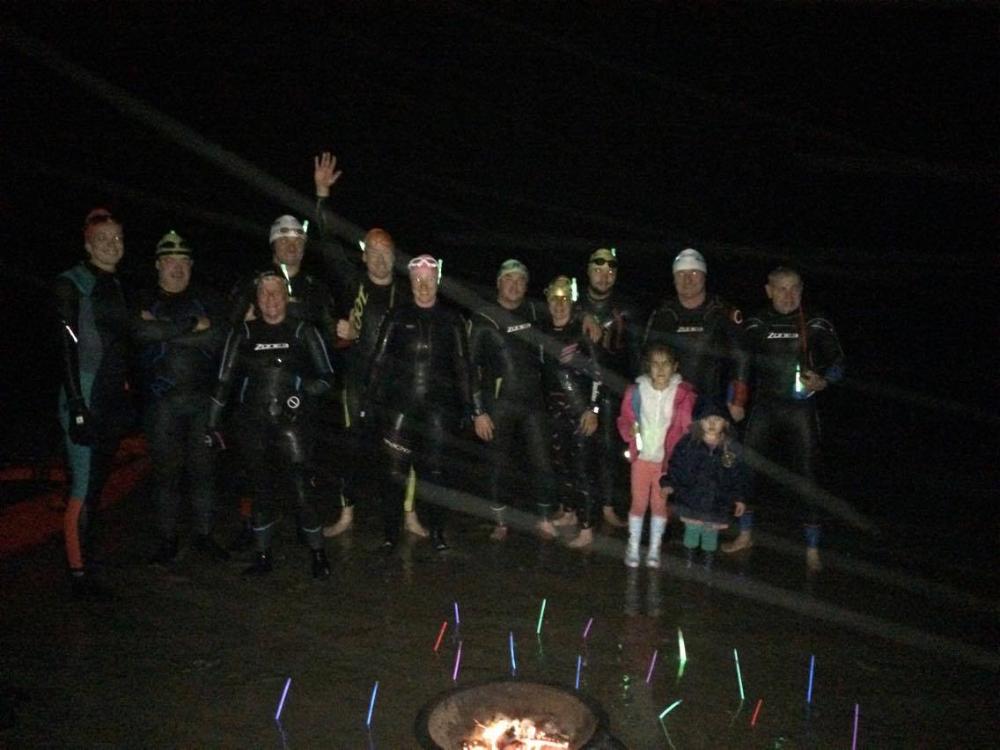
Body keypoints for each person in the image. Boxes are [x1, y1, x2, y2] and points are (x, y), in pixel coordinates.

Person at [312, 152, 422, 538]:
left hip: (395, 387)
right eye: (373, 251)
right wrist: (322, 196)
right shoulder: (352, 281)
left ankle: (409, 514)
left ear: (395, 257)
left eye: (386, 252)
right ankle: (346, 513)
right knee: (350, 452)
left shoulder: (408, 293)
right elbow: (325, 243)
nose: (379, 258)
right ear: (364, 254)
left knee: (402, 452)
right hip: (358, 383)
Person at [207, 272, 334, 578]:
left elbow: (327, 377)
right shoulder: (244, 333)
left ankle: (318, 554)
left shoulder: (303, 331)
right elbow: (223, 380)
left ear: (286, 297)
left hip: (293, 424)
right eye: (264, 294)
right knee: (260, 490)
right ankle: (262, 556)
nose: (271, 300)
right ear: (256, 299)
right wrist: (211, 423)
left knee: (302, 491)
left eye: (276, 293)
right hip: (253, 423)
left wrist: (301, 394)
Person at [226, 213, 338, 549]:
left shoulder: (315, 287)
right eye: (285, 240)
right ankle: (252, 529)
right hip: (257, 391)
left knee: (301, 472)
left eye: (298, 241)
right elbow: (229, 328)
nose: (291, 246)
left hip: (301, 394)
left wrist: (338, 331)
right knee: (254, 474)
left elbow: (330, 332)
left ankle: (308, 537)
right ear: (273, 244)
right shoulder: (253, 282)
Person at [735, 266, 845, 571]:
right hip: (765, 406)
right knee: (748, 468)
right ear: (768, 290)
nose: (788, 295)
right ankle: (745, 534)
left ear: (802, 289)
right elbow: (741, 366)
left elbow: (838, 361)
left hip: (801, 408)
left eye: (794, 288)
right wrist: (737, 402)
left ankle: (812, 549)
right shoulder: (756, 323)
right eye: (781, 288)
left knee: (808, 475)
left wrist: (824, 381)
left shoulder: (816, 321)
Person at [363, 255, 474, 551]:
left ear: (437, 281)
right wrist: (369, 401)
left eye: (428, 279)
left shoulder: (452, 319)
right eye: (417, 280)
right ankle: (390, 535)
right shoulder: (397, 315)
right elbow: (378, 361)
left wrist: (467, 406)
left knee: (436, 473)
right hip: (401, 406)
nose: (423, 286)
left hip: (439, 409)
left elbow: (463, 366)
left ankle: (437, 532)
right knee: (394, 473)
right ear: (410, 283)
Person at [134, 231, 229, 564]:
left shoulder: (208, 298)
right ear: (158, 265)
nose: (177, 268)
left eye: (183, 262)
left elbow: (217, 339)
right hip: (161, 402)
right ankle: (167, 539)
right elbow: (140, 332)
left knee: (204, 472)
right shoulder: (144, 298)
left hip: (203, 402)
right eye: (170, 261)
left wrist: (167, 330)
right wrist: (192, 328)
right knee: (166, 474)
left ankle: (203, 535)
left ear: (192, 265)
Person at [53, 208, 133, 597]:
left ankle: (88, 560)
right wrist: (77, 403)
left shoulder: (115, 284)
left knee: (96, 486)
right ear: (88, 244)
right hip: (82, 393)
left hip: (109, 396)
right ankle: (79, 574)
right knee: (82, 487)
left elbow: (119, 345)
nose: (111, 245)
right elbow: (66, 348)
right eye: (103, 239)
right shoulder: (72, 283)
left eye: (117, 238)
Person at [470, 259, 557, 540]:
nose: (514, 284)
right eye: (509, 278)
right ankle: (500, 521)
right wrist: (478, 412)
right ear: (498, 283)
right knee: (498, 463)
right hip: (498, 403)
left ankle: (544, 518)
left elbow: (566, 312)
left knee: (542, 462)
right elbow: (469, 368)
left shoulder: (534, 310)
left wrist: (588, 317)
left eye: (520, 280)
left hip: (534, 401)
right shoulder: (483, 318)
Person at [576, 247, 644, 529]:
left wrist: (639, 393)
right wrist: (579, 312)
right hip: (575, 386)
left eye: (610, 271)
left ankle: (606, 505)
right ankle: (572, 505)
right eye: (598, 269)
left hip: (613, 388)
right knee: (574, 447)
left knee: (609, 449)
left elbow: (638, 354)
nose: (604, 276)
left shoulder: (627, 309)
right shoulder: (573, 301)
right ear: (588, 270)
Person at [642, 248, 748, 422]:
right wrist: (644, 400)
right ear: (674, 279)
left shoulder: (722, 311)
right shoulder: (663, 314)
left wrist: (738, 401)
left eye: (693, 272)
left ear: (704, 276)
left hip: (714, 402)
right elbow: (646, 358)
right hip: (671, 402)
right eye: (681, 274)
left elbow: (742, 357)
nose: (687, 279)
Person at [617, 343, 696, 568]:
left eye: (666, 363)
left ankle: (654, 549)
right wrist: (629, 430)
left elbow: (687, 428)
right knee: (639, 502)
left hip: (665, 462)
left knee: (659, 504)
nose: (660, 368)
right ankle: (633, 547)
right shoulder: (636, 391)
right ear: (648, 366)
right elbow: (624, 419)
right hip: (641, 458)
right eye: (655, 363)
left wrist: (683, 457)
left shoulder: (683, 394)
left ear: (675, 367)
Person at [538, 276, 602, 548]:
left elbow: (599, 376)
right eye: (555, 299)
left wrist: (593, 409)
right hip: (554, 410)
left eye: (565, 299)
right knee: (561, 464)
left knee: (581, 469)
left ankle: (587, 528)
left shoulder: (582, 334)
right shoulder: (541, 332)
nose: (560, 304)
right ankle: (569, 511)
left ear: (572, 302)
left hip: (579, 412)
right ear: (548, 302)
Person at [660, 397, 749, 570]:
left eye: (717, 419)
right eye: (707, 419)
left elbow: (739, 475)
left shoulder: (731, 448)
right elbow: (676, 465)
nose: (712, 423)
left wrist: (740, 498)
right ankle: (689, 561)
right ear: (699, 422)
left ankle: (708, 562)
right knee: (692, 530)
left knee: (710, 533)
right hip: (692, 498)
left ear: (725, 423)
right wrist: (668, 482)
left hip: (717, 501)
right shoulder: (688, 443)